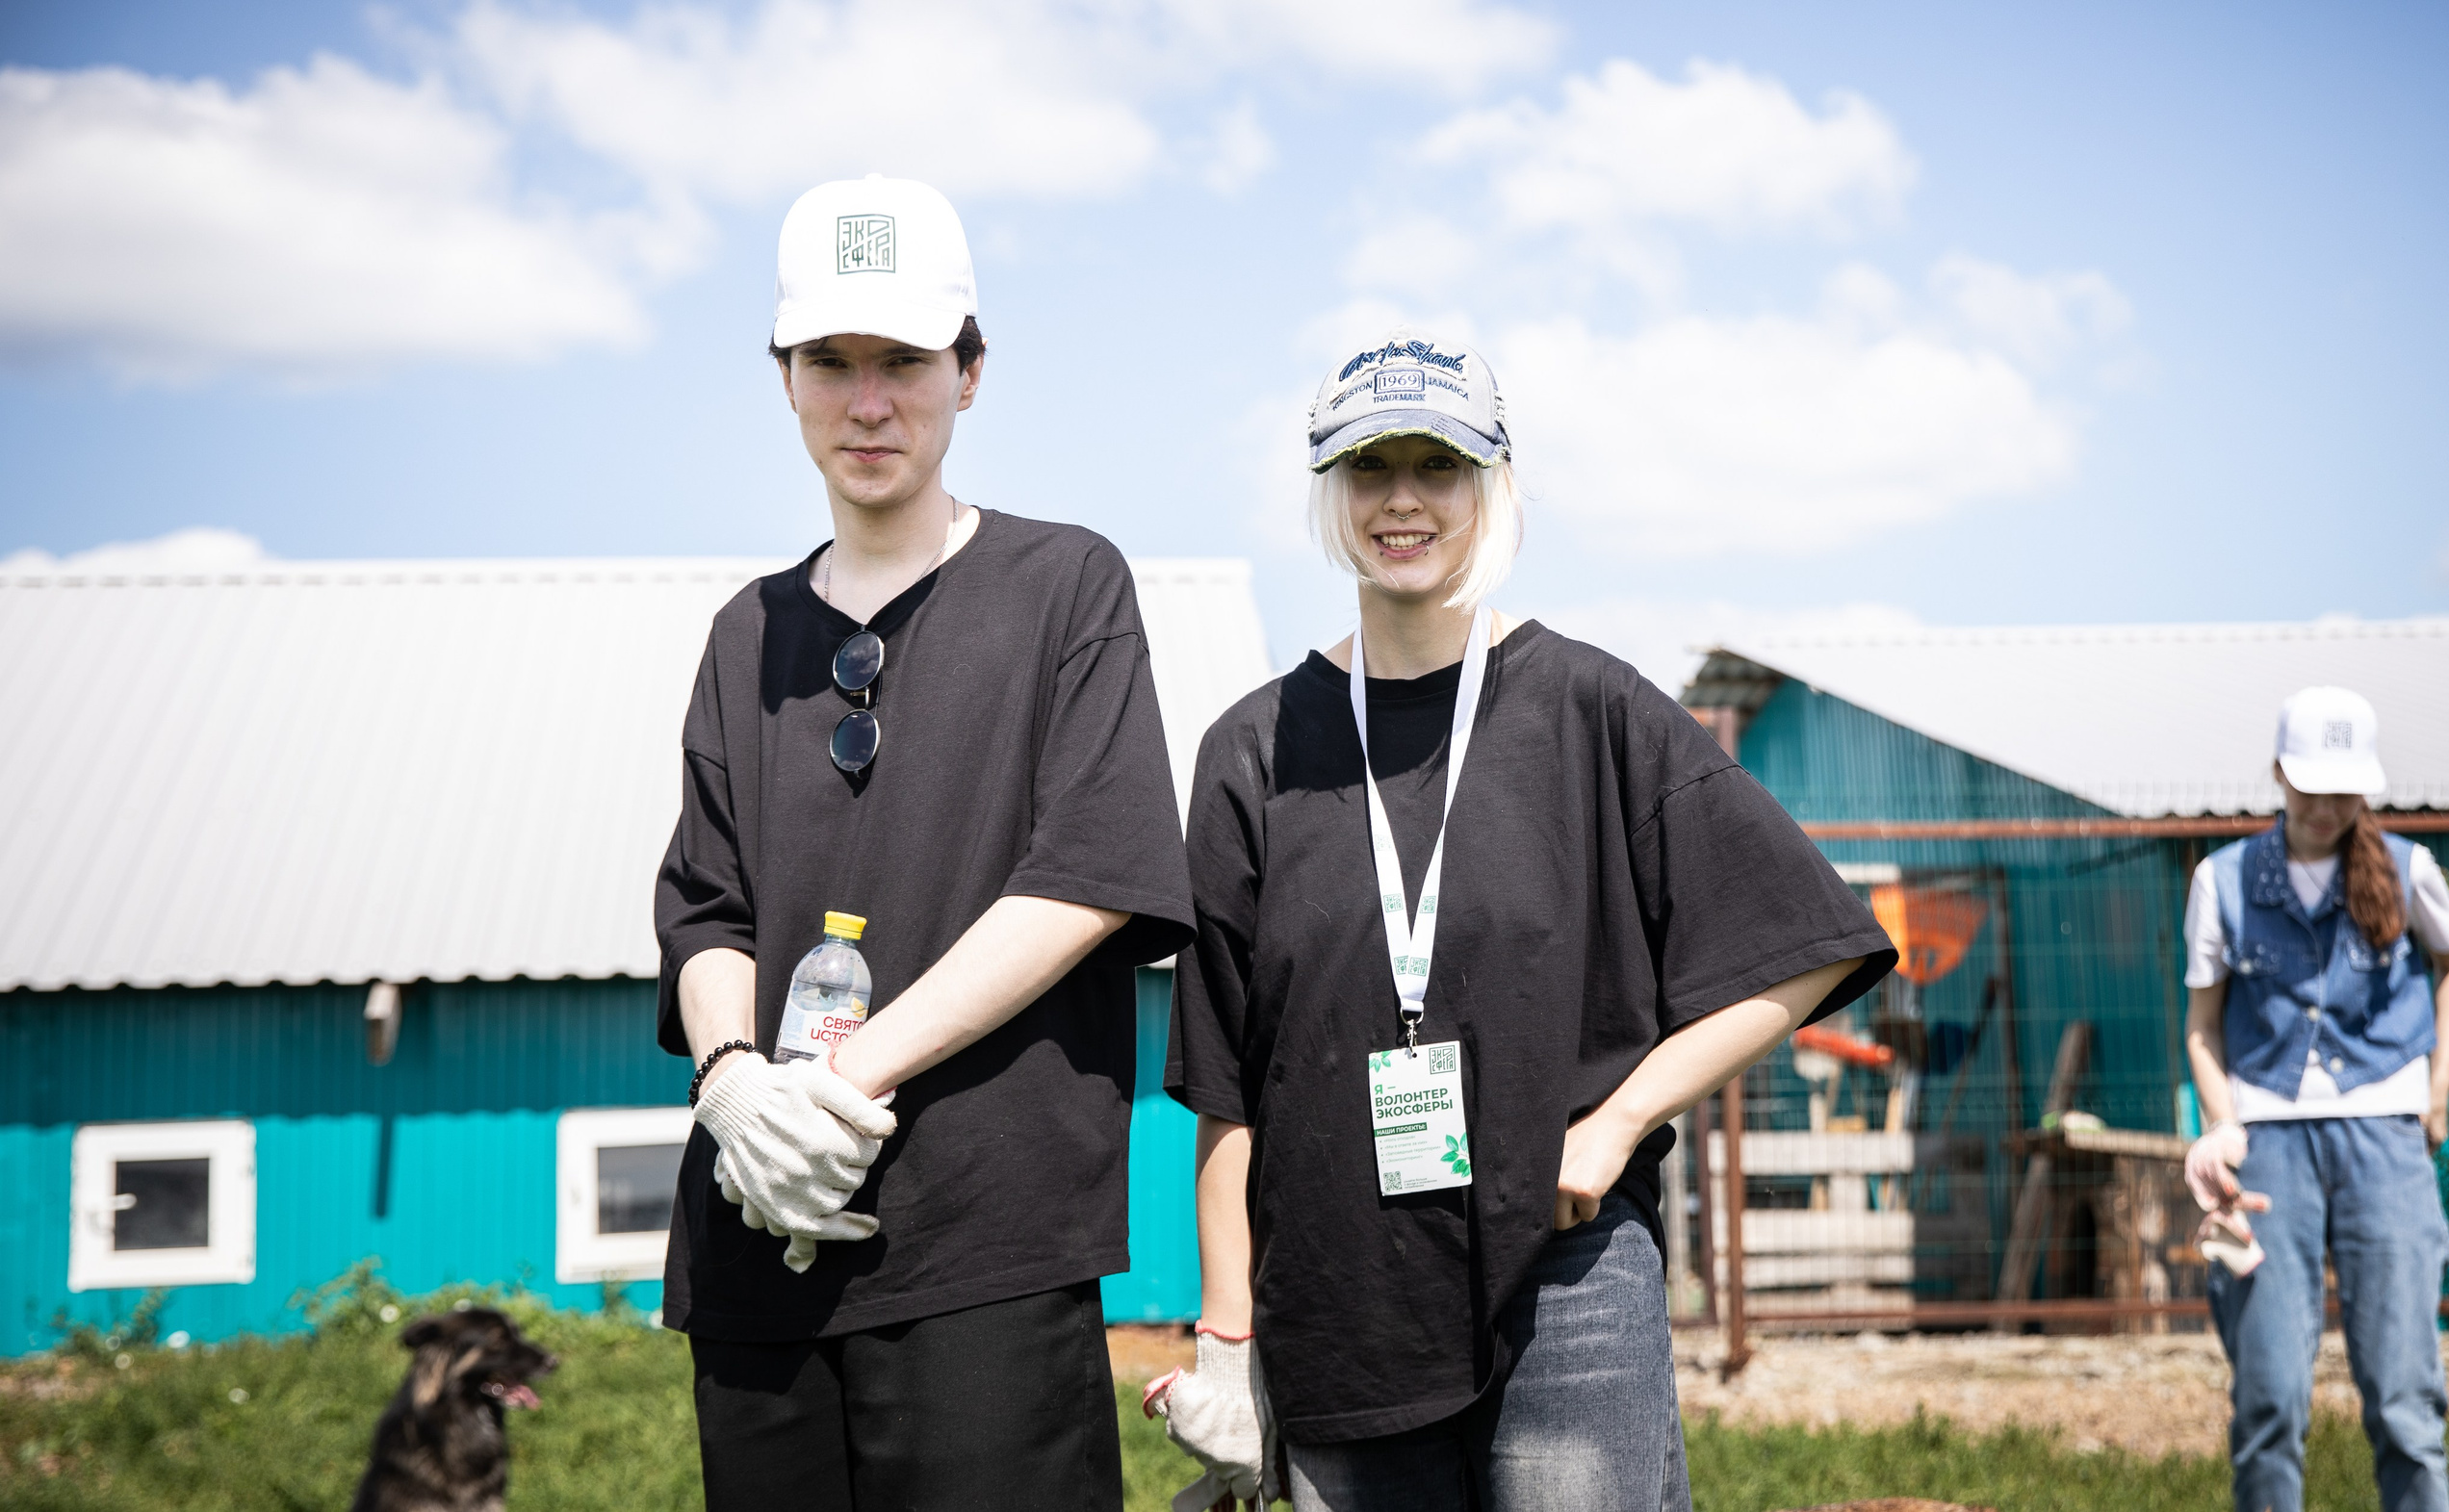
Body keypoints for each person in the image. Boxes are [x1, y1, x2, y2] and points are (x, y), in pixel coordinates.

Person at [1150, 328, 1896, 1510]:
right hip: (1344, 1296)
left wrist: (1615, 1124)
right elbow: (1225, 1088)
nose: (1403, 500)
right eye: (1369, 468)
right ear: (1326, 492)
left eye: (1436, 465)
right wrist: (1227, 1344)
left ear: (1492, 481)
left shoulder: (1587, 706)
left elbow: (1804, 948)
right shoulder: (1250, 750)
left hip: (1569, 1272)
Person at [652, 174, 1194, 1510]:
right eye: (830, 361)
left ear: (971, 368)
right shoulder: (744, 633)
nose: (870, 399)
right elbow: (707, 907)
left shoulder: (1066, 585)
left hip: (982, 1245)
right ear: (783, 377)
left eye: (904, 359)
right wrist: (732, 1082)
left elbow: (1090, 871)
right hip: (760, 1229)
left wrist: (847, 1081)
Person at [2182, 686, 2449, 1512]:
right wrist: (2222, 1126)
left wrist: (2438, 1082)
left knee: (2406, 1403)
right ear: (2278, 773)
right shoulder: (2221, 880)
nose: (2327, 805)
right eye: (2311, 784)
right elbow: (2203, 1027)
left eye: (2345, 788)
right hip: (2267, 1142)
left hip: (2386, 1138)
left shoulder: (2408, 869)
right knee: (2268, 1400)